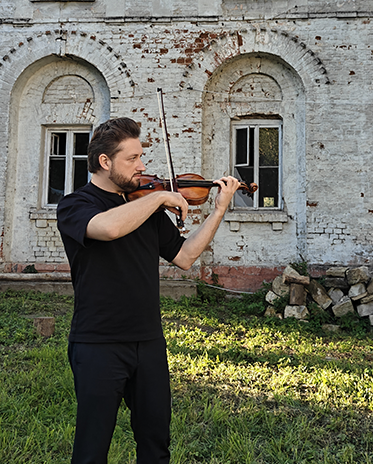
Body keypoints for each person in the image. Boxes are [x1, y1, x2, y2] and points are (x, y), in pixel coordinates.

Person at [56, 117, 239, 464]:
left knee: (156, 445)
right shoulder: (75, 205)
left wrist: (218, 210)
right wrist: (158, 199)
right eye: (132, 158)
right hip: (98, 343)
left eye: (141, 157)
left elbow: (185, 257)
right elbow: (107, 229)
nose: (141, 166)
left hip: (148, 342)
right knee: (92, 450)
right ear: (105, 161)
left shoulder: (147, 206)